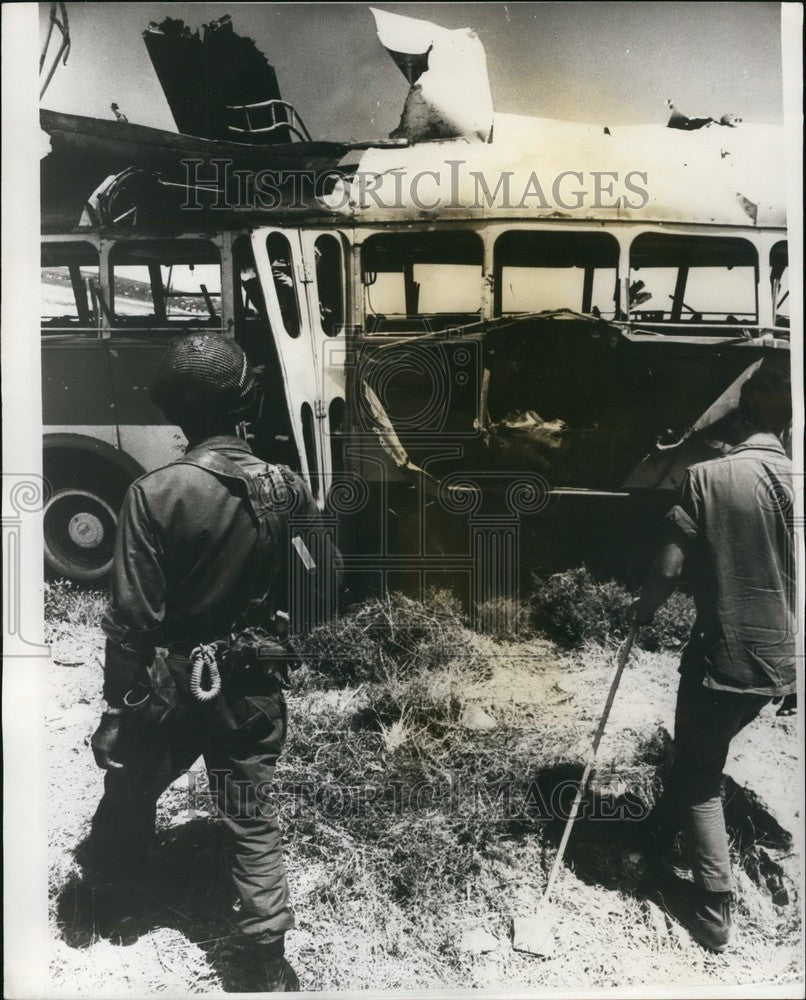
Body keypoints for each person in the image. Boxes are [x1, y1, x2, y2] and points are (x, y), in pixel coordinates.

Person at [89, 332, 339, 992]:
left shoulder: (153, 493)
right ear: (244, 405)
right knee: (251, 816)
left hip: (168, 688)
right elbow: (322, 587)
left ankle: (111, 910)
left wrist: (116, 710)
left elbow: (132, 622)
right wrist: (282, 627)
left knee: (130, 792)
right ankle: (264, 957)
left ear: (178, 412)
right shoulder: (285, 490)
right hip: (250, 686)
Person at [633, 364, 795, 953]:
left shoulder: (707, 477)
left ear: (746, 416)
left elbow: (669, 568)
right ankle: (663, 828)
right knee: (701, 752)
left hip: (725, 655)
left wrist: (643, 612)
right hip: (782, 661)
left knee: (699, 774)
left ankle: (712, 905)